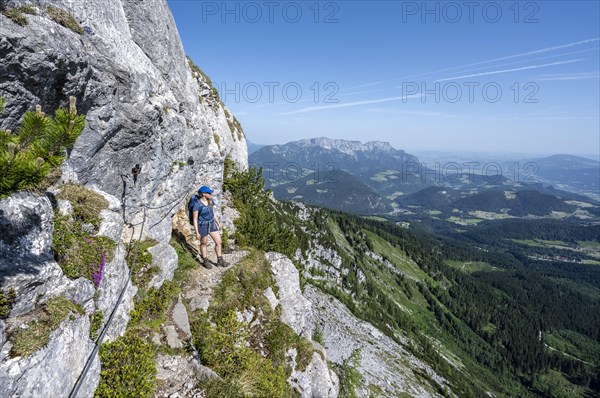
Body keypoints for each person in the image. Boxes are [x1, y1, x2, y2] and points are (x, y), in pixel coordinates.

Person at [192, 185, 228, 269]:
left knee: (218, 242)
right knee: (204, 243)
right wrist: (197, 232)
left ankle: (220, 260)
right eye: (209, 193)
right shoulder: (197, 204)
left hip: (211, 224)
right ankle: (205, 260)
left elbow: (213, 213)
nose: (211, 194)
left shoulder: (210, 201)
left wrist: (218, 223)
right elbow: (195, 219)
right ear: (204, 194)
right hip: (202, 225)